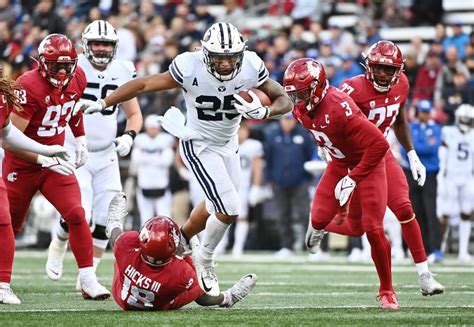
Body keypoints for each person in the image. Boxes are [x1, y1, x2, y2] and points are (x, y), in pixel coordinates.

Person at [75, 22, 292, 296]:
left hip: (229, 142)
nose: (225, 64)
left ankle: (184, 238)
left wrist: (265, 112)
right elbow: (143, 83)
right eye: (218, 58)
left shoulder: (251, 65)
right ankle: (205, 259)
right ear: (204, 54)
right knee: (230, 206)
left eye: (230, 58)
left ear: (241, 53)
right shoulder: (190, 67)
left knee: (218, 204)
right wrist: (105, 102)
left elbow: (284, 99)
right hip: (197, 141)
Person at [283, 58, 398, 310]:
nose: (298, 100)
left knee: (372, 228)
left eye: (302, 93)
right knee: (319, 218)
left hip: (367, 163)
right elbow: (318, 129)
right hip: (338, 162)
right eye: (294, 95)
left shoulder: (339, 106)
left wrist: (353, 178)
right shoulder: (300, 108)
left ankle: (387, 291)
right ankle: (318, 228)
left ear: (317, 87)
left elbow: (379, 144)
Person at [2, 33, 110, 300]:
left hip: (56, 161)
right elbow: (10, 139)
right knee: (9, 225)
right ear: (42, 63)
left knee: (76, 213)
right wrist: (42, 158)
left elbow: (72, 111)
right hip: (23, 163)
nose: (62, 71)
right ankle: (2, 283)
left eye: (66, 65)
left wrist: (81, 139)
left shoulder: (79, 78)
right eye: (55, 65)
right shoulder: (28, 85)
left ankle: (87, 279)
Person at [338, 40, 444, 295]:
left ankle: (424, 275)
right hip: (354, 158)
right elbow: (335, 123)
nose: (384, 74)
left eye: (389, 69)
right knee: (360, 225)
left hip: (382, 153)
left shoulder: (403, 84)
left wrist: (412, 153)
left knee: (405, 208)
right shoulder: (351, 89)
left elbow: (399, 119)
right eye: (378, 68)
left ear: (399, 70)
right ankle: (318, 225)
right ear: (368, 66)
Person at [45, 20, 143, 289]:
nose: (101, 49)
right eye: (97, 43)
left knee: (105, 218)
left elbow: (134, 114)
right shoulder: (71, 65)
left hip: (107, 153)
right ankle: (58, 244)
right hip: (73, 149)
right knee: (78, 213)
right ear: (85, 45)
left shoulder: (123, 69)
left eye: (106, 44)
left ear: (115, 47)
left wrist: (129, 136)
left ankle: (89, 274)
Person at [106, 192, 257, 311]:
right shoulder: (180, 272)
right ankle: (227, 298)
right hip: (159, 305)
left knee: (120, 245)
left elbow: (117, 239)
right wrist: (188, 252)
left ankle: (113, 222)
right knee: (201, 292)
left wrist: (115, 229)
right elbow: (201, 297)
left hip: (121, 295)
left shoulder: (128, 244)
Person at [0, 70, 71, 304]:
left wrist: (45, 151)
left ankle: (2, 284)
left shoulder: (1, 98)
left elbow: (8, 134)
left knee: (4, 220)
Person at [400, 100, 442, 263]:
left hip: (430, 174)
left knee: (430, 211)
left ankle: (435, 249)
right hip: (413, 174)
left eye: (426, 111)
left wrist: (416, 148)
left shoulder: (435, 128)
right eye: (421, 111)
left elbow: (431, 148)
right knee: (414, 211)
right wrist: (417, 148)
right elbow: (407, 150)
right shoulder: (412, 128)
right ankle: (418, 249)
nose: (424, 114)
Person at [437, 104, 473, 263]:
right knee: (445, 213)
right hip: (450, 177)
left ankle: (463, 251)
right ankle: (439, 248)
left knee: (466, 212)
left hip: (467, 177)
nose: (466, 122)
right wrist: (441, 177)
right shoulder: (448, 132)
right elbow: (442, 157)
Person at [131, 114, 175, 226]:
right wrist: (157, 156)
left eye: (155, 127)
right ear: (146, 127)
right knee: (146, 219)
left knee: (165, 218)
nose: (153, 130)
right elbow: (136, 159)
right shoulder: (140, 139)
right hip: (144, 185)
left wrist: (146, 157)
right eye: (151, 127)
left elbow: (167, 160)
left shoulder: (166, 138)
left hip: (162, 186)